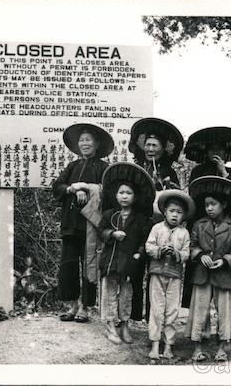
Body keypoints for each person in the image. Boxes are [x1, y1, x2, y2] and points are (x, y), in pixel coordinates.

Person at [52, 123, 114, 323]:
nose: (85, 143)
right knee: (68, 264)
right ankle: (72, 304)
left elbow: (109, 191)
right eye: (82, 140)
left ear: (97, 144)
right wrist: (72, 189)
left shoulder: (104, 168)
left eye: (89, 140)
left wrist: (88, 188)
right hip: (71, 223)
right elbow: (57, 187)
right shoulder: (72, 166)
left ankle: (86, 307)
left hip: (91, 224)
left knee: (89, 263)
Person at [185, 176, 231, 362]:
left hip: (223, 275)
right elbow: (191, 244)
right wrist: (199, 255)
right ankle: (197, 346)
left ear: (224, 204)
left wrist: (226, 260)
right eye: (206, 205)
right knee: (199, 309)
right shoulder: (199, 224)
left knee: (224, 311)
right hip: (202, 274)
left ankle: (222, 347)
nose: (209, 208)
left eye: (213, 204)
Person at [182, 126, 231, 313]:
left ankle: (223, 316)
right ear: (206, 152)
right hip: (200, 226)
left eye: (220, 149)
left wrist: (223, 172)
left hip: (224, 228)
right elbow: (192, 198)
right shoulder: (197, 172)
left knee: (223, 271)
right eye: (212, 149)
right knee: (198, 272)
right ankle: (197, 318)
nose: (215, 153)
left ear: (226, 152)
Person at [128, 117, 184, 323]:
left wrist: (169, 187)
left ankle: (154, 315)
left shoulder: (169, 172)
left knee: (156, 272)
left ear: (163, 148)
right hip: (137, 224)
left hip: (158, 227)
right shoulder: (136, 168)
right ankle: (134, 314)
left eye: (155, 145)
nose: (150, 148)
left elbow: (178, 200)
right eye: (147, 145)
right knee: (135, 269)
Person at [98, 163, 155, 344]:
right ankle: (110, 326)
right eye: (121, 192)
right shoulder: (109, 214)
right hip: (111, 261)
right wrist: (112, 233)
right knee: (109, 293)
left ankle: (124, 324)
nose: (124, 196)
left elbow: (144, 239)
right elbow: (101, 231)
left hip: (129, 262)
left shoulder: (140, 218)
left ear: (135, 197)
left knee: (126, 295)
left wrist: (139, 254)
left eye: (128, 193)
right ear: (116, 195)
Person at [144, 190, 194, 359]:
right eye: (172, 211)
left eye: (179, 212)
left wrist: (177, 253)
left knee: (172, 310)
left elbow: (187, 252)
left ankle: (168, 346)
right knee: (157, 309)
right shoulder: (156, 228)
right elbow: (148, 246)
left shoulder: (184, 233)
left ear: (184, 216)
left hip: (175, 275)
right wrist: (159, 250)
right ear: (164, 211)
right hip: (157, 273)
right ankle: (155, 344)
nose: (175, 215)